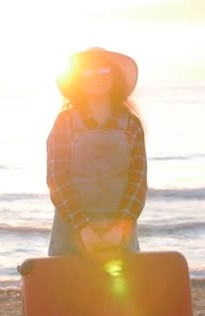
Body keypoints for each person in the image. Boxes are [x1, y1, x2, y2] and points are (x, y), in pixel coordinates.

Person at [46, 47, 148, 256]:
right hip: (71, 228)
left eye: (104, 71)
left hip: (119, 232)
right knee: (68, 288)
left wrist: (119, 230)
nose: (97, 78)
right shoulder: (65, 122)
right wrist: (84, 229)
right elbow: (57, 179)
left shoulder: (130, 123)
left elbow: (138, 182)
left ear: (114, 77)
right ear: (78, 80)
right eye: (88, 72)